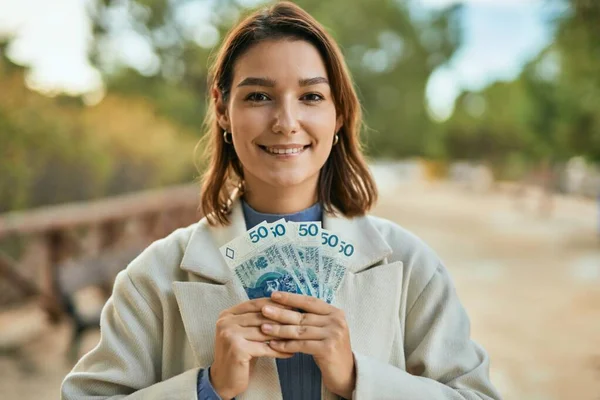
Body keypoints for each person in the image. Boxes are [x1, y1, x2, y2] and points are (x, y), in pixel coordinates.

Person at [61, 2, 501, 399]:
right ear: (221, 108)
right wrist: (206, 389)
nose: (286, 122)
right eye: (258, 96)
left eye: (311, 96)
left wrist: (357, 379)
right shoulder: (152, 278)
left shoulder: (411, 266)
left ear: (339, 113)